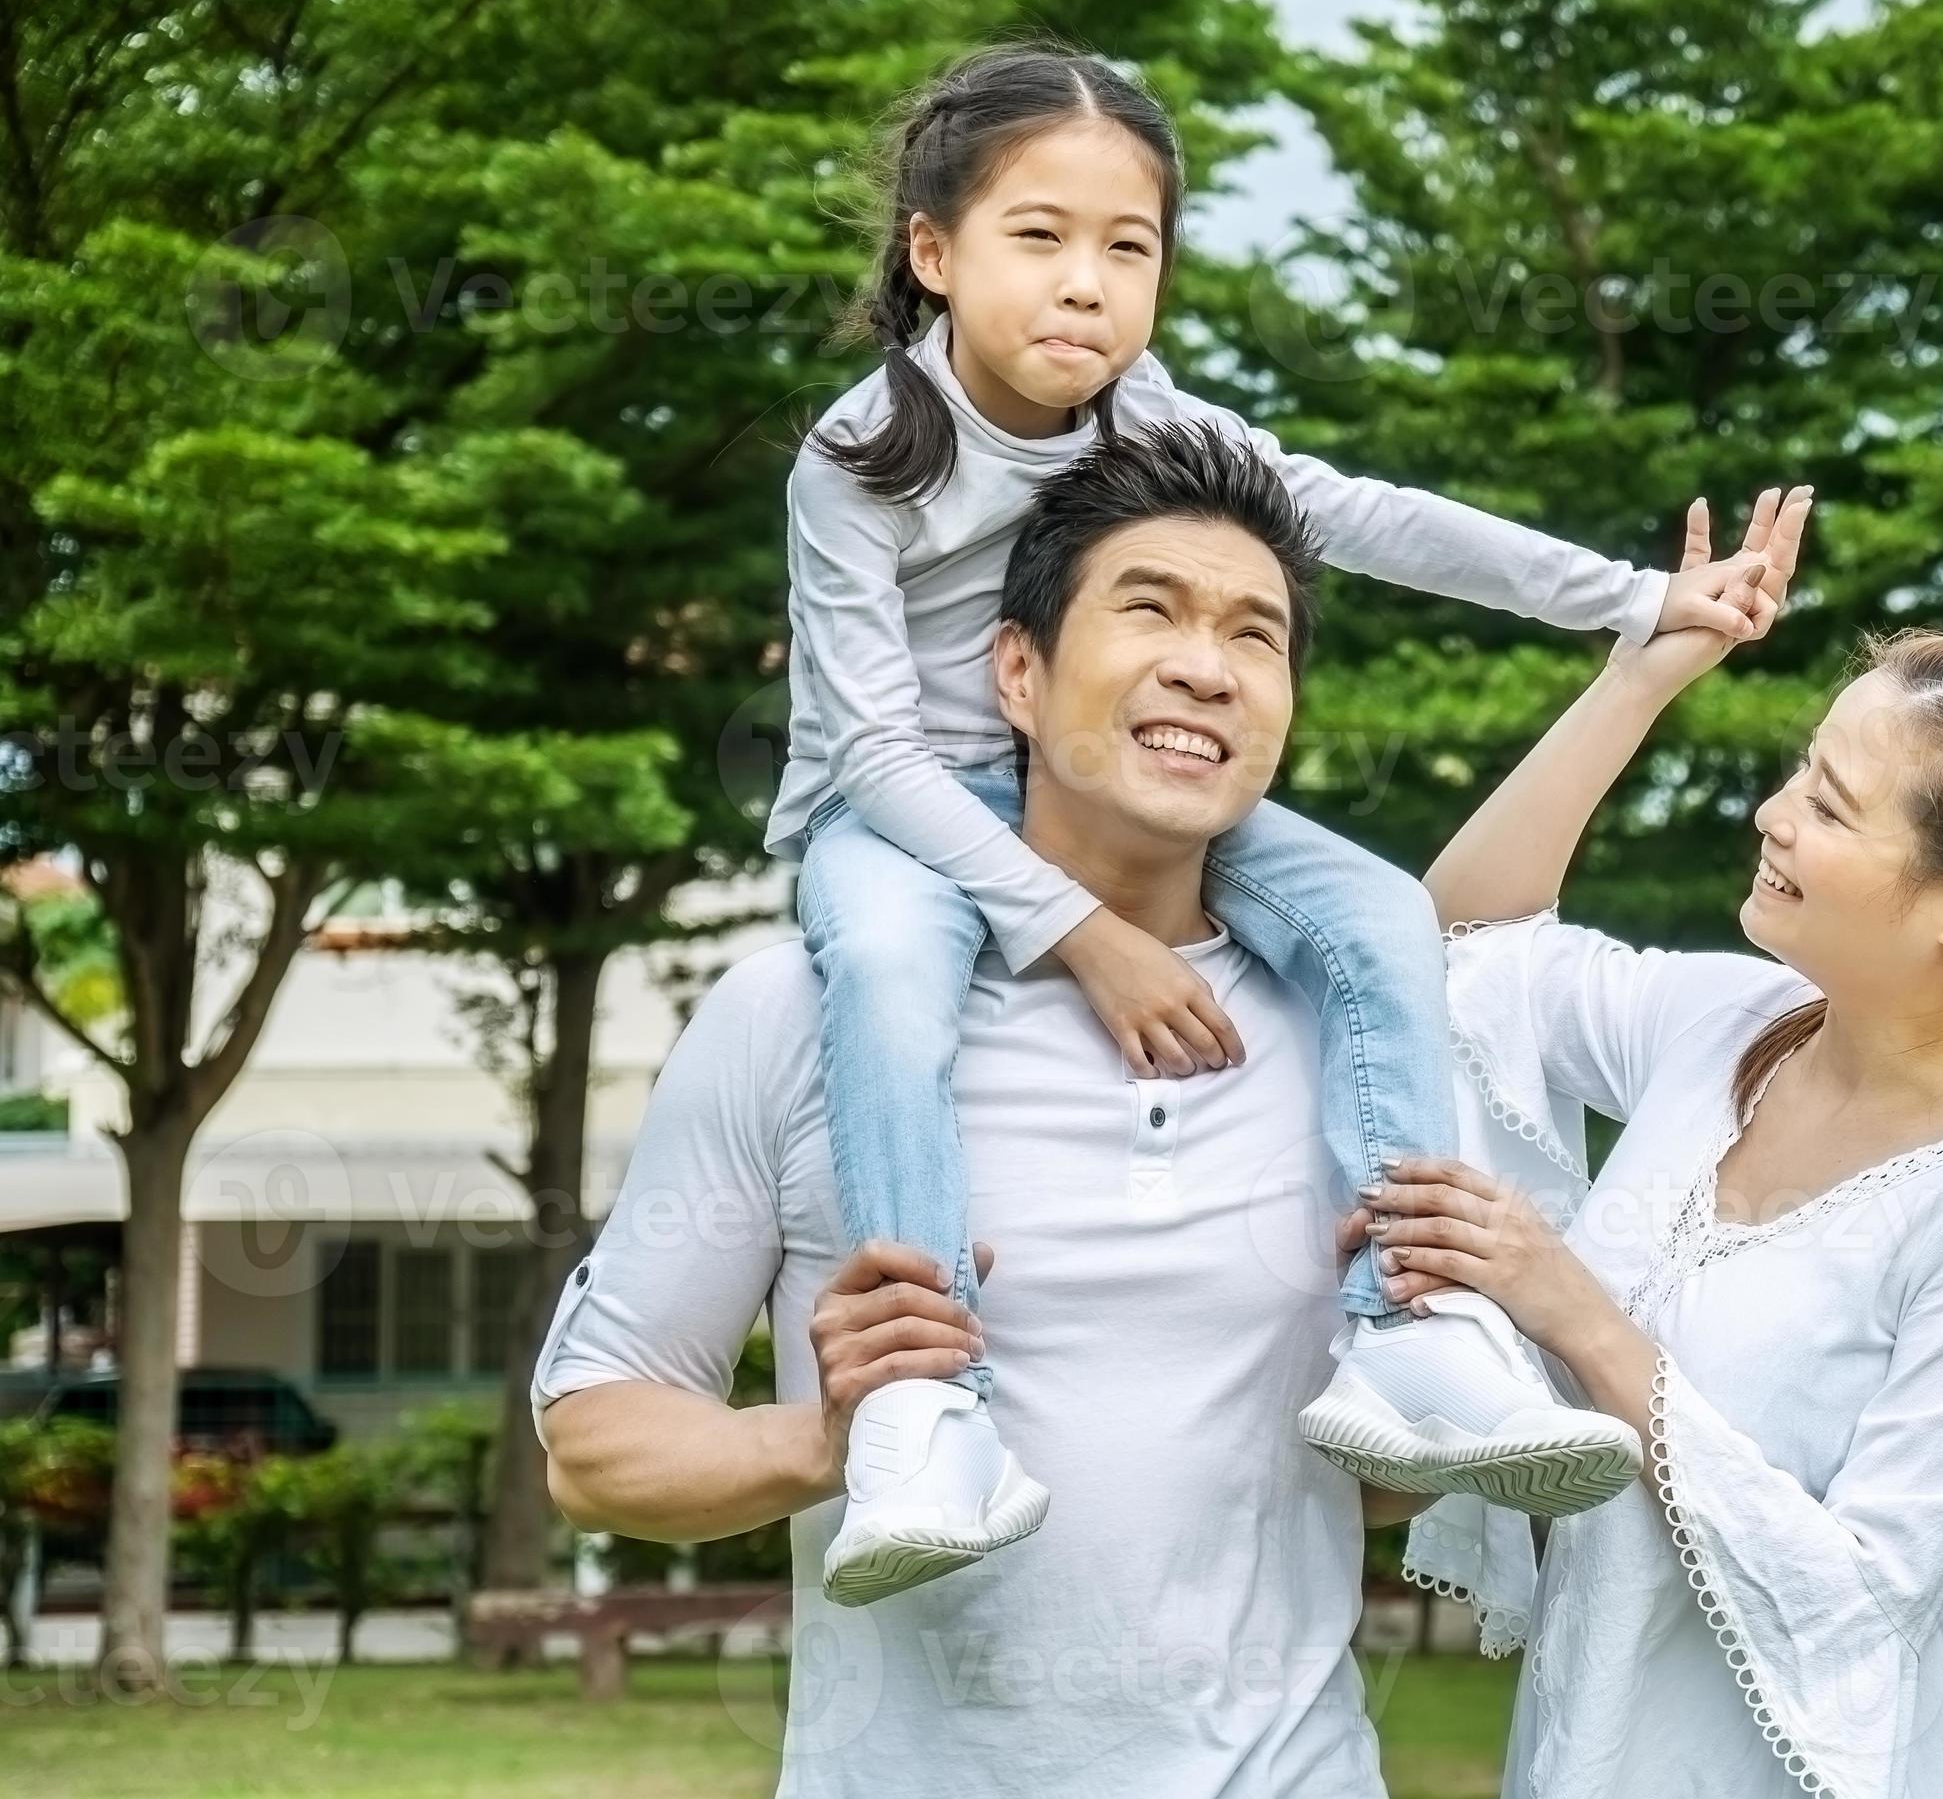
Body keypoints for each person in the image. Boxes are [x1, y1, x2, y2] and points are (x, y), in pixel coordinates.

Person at [534, 432, 1794, 1796]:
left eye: (1256, 634)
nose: (1207, 663)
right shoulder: (802, 1012)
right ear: (1015, 672)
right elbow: (596, 1450)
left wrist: (1450, 1352)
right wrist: (822, 1439)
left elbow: (1368, 1480)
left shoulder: (1369, 1048)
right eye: (1150, 610)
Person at [778, 40, 1768, 1602]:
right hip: (902, 816)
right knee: (892, 978)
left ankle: (1410, 1329)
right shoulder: (858, 460)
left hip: (1122, 788)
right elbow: (869, 753)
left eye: (1130, 248)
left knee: (1380, 915)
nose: (1086, 287)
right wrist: (1085, 935)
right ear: (932, 253)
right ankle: (926, 1409)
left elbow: (1361, 515)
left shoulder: (1153, 421)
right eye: (1038, 238)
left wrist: (1635, 597)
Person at [1358, 486, 1943, 1798]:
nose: (1774, 815)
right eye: (1802, 771)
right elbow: (1456, 952)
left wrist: (1578, 1316)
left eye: (1833, 808)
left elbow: (1863, 1601)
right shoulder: (1730, 1023)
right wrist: (1643, 671)